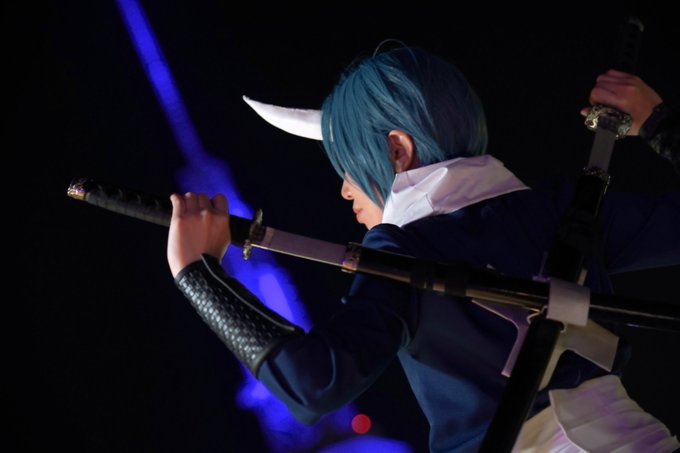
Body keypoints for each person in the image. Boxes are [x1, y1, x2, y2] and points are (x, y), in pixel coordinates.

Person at [166, 45, 679, 452]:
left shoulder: (402, 250)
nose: (345, 190)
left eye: (350, 166)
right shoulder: (563, 210)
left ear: (397, 149)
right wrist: (658, 122)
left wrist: (197, 275)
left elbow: (312, 384)